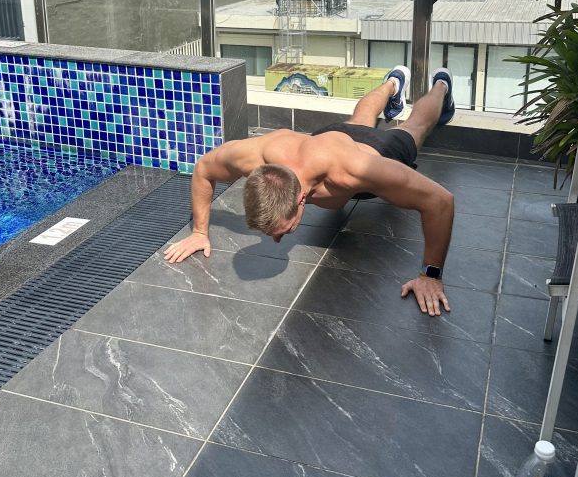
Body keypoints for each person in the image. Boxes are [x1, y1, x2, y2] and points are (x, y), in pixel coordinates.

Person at [164, 66, 456, 316]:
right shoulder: (255, 155)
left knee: (415, 128)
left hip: (373, 153)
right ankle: (394, 82)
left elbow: (440, 201)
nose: (276, 240)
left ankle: (442, 84)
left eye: (284, 231)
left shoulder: (354, 171)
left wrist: (431, 275)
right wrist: (199, 232)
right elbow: (204, 168)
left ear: (301, 199)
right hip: (327, 140)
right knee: (360, 119)